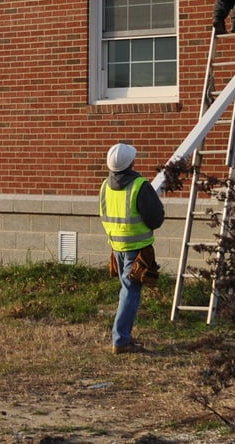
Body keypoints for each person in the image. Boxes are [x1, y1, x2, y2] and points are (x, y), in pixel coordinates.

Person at [99, 142, 165, 354]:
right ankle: (121, 340)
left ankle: (122, 337)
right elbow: (155, 218)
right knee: (130, 292)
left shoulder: (104, 186)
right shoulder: (139, 185)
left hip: (116, 246)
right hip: (137, 248)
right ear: (131, 162)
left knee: (126, 290)